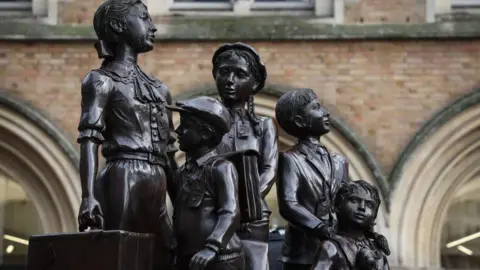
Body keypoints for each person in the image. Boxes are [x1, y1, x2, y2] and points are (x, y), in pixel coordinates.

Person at [76, 0, 176, 268]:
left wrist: (182, 203)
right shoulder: (101, 80)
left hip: (157, 177)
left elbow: (170, 153)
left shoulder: (159, 89)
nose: (152, 27)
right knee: (120, 254)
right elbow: (89, 139)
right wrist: (87, 197)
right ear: (118, 26)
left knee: (167, 252)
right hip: (123, 175)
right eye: (144, 18)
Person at [212, 42, 278, 270]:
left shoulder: (263, 126)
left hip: (252, 216)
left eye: (240, 74)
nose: (230, 80)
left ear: (254, 83)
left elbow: (269, 169)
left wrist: (245, 200)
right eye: (224, 72)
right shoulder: (204, 122)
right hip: (211, 212)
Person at [166, 96, 245, 270]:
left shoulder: (221, 168)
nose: (178, 131)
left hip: (219, 258)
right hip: (189, 258)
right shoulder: (183, 172)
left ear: (205, 133)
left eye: (186, 126)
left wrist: (212, 247)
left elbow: (230, 212)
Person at [274, 88, 349, 270]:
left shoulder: (340, 162)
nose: (326, 112)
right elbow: (289, 204)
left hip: (337, 251)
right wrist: (320, 228)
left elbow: (345, 201)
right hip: (303, 255)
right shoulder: (290, 159)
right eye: (316, 107)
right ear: (300, 121)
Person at [311, 180, 390, 270]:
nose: (362, 207)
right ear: (337, 206)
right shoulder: (331, 247)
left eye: (369, 205)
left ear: (375, 215)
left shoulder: (378, 251)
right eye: (354, 200)